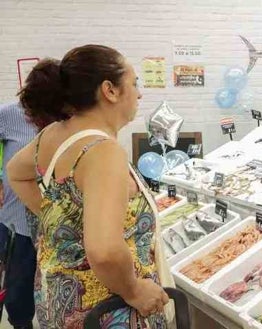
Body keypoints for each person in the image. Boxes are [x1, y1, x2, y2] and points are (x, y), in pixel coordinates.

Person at [7, 45, 169, 328]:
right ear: (110, 90)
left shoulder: (52, 134)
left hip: (60, 303)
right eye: (134, 83)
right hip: (106, 310)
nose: (139, 93)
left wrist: (62, 221)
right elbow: (104, 251)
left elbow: (15, 173)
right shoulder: (102, 151)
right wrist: (133, 290)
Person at [0, 102, 38, 329]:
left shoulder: (67, 116)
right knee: (15, 292)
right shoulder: (12, 114)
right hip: (15, 220)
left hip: (51, 224)